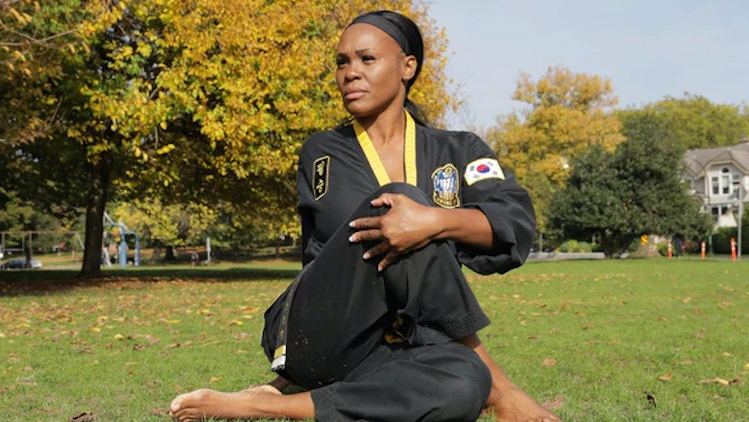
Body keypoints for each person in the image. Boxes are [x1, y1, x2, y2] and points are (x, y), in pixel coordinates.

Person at [169, 10, 561, 422]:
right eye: (342, 62)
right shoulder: (322, 152)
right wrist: (416, 219)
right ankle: (502, 389)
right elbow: (327, 256)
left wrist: (435, 221)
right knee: (396, 209)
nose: (350, 72)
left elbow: (512, 222)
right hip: (318, 332)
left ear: (407, 66)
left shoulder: (458, 150)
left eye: (366, 59)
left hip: (402, 344)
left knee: (464, 383)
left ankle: (267, 404)